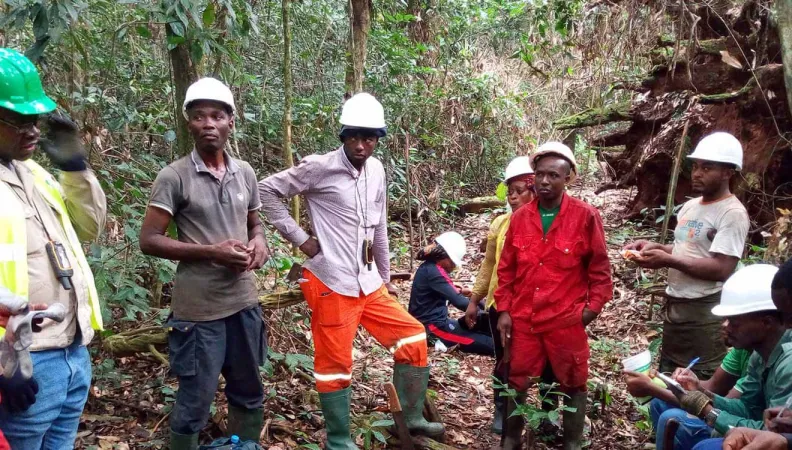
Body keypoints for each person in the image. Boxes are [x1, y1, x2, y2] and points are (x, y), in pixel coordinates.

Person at [258, 93, 443, 448]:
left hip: (367, 280)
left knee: (413, 336)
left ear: (377, 138)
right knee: (335, 364)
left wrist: (386, 279)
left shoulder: (376, 170)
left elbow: (380, 228)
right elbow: (267, 191)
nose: (361, 145)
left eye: (369, 138)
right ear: (342, 135)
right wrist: (303, 240)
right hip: (331, 279)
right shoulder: (318, 167)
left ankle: (411, 417)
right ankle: (339, 440)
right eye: (354, 137)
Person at [139, 77, 269, 449]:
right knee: (195, 398)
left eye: (216, 116)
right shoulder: (174, 176)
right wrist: (213, 252)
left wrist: (259, 244)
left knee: (248, 389)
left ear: (231, 121)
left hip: (243, 302)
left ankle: (246, 444)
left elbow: (255, 223)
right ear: (188, 123)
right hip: (198, 311)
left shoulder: (244, 172)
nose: (208, 124)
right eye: (199, 117)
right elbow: (149, 240)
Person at [0, 48, 107, 448]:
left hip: (71, 352)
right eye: (18, 120)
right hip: (21, 363)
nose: (32, 131)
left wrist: (76, 169)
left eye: (35, 120)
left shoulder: (33, 172)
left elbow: (90, 228)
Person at [495, 142, 613, 450]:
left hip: (566, 319)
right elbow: (506, 269)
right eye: (540, 175)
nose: (545, 181)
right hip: (524, 317)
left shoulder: (586, 216)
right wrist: (505, 311)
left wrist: (590, 310)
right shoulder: (521, 218)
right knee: (517, 380)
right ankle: (511, 439)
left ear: (568, 178)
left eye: (553, 175)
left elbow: (600, 270)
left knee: (574, 382)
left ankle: (572, 442)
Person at [625, 132, 749, 378]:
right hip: (676, 309)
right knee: (670, 377)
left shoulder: (732, 213)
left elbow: (722, 268)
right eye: (695, 167)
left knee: (699, 378)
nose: (697, 173)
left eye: (707, 167)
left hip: (704, 311)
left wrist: (668, 260)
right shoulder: (691, 207)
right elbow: (685, 249)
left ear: (728, 172)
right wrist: (655, 248)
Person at [652, 264, 792, 450]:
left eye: (734, 322)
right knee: (670, 417)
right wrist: (703, 395)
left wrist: (707, 410)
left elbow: (774, 435)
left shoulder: (787, 363)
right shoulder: (759, 355)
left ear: (766, 322)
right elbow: (749, 408)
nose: (726, 326)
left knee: (706, 447)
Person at [463, 156, 535, 434]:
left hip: (530, 305)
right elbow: (489, 265)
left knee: (526, 362)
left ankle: (525, 411)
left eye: (520, 191)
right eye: (511, 192)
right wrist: (474, 300)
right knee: (504, 359)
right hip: (498, 303)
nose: (514, 198)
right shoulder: (500, 224)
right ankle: (501, 409)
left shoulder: (545, 224)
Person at [409, 231, 494, 355]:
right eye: (452, 263)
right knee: (492, 345)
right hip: (432, 329)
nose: (453, 267)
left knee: (484, 333)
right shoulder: (435, 272)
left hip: (439, 323)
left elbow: (449, 291)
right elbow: (460, 302)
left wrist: (477, 301)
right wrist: (481, 307)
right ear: (444, 256)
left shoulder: (430, 267)